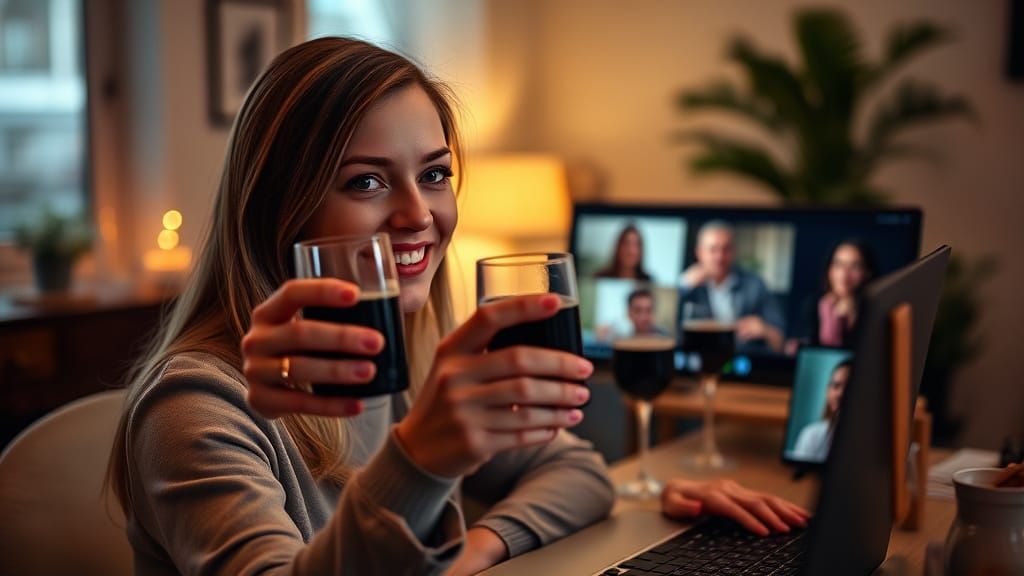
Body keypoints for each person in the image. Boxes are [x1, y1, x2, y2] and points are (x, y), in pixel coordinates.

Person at [106, 38, 805, 576]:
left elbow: (580, 472)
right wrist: (421, 460)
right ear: (278, 208)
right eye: (367, 180)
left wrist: (471, 550)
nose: (418, 214)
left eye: (435, 174)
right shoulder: (195, 406)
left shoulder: (413, 359)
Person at [678, 220, 785, 352]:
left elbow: (780, 342)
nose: (720, 257)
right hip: (699, 361)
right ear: (700, 252)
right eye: (713, 249)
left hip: (743, 362)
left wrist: (764, 330)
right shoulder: (687, 286)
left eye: (726, 249)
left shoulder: (755, 285)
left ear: (734, 251)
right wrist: (682, 287)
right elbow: (667, 332)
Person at [791, 360, 852, 462]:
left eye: (848, 387)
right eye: (836, 385)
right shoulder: (811, 435)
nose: (840, 394)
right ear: (827, 391)